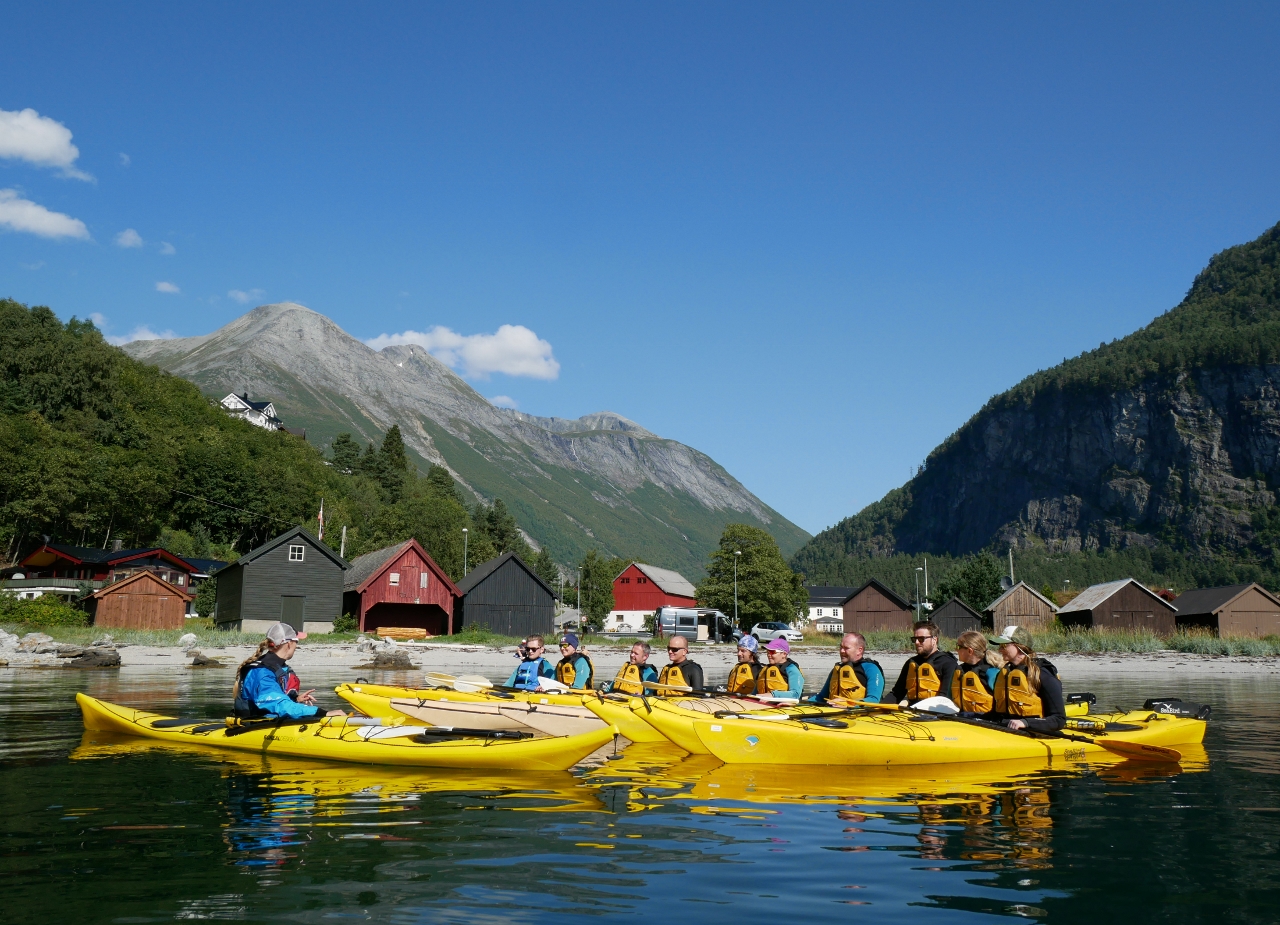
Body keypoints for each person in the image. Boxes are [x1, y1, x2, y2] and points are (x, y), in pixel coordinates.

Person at [233, 623, 345, 720]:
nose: (296, 646)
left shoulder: (278, 666)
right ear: (289, 643)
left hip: (272, 722)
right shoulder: (262, 672)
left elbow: (277, 699)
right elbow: (279, 705)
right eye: (296, 641)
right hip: (254, 727)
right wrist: (323, 713)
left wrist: (295, 699)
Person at [984, 625, 1066, 733]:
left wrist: (1025, 722)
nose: (999, 649)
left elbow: (1059, 719)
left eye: (1004, 646)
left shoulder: (1042, 675)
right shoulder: (1005, 673)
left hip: (1034, 733)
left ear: (1020, 647)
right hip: (1005, 729)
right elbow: (996, 713)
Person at [883, 621, 958, 706]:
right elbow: (896, 693)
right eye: (915, 639)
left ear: (934, 640)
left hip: (936, 712)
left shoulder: (948, 663)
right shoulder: (911, 663)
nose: (917, 642)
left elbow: (945, 698)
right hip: (913, 711)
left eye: (921, 639)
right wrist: (878, 708)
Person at [811, 632, 884, 704]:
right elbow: (821, 697)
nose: (841, 651)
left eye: (846, 648)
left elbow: (874, 699)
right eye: (841, 647)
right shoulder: (837, 670)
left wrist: (848, 704)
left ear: (859, 650)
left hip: (860, 713)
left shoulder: (871, 669)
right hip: (834, 712)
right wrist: (803, 703)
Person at [950, 629, 1002, 713]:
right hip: (960, 721)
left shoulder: (991, 672)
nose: (956, 649)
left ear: (970, 651)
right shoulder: (959, 671)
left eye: (958, 647)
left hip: (985, 723)